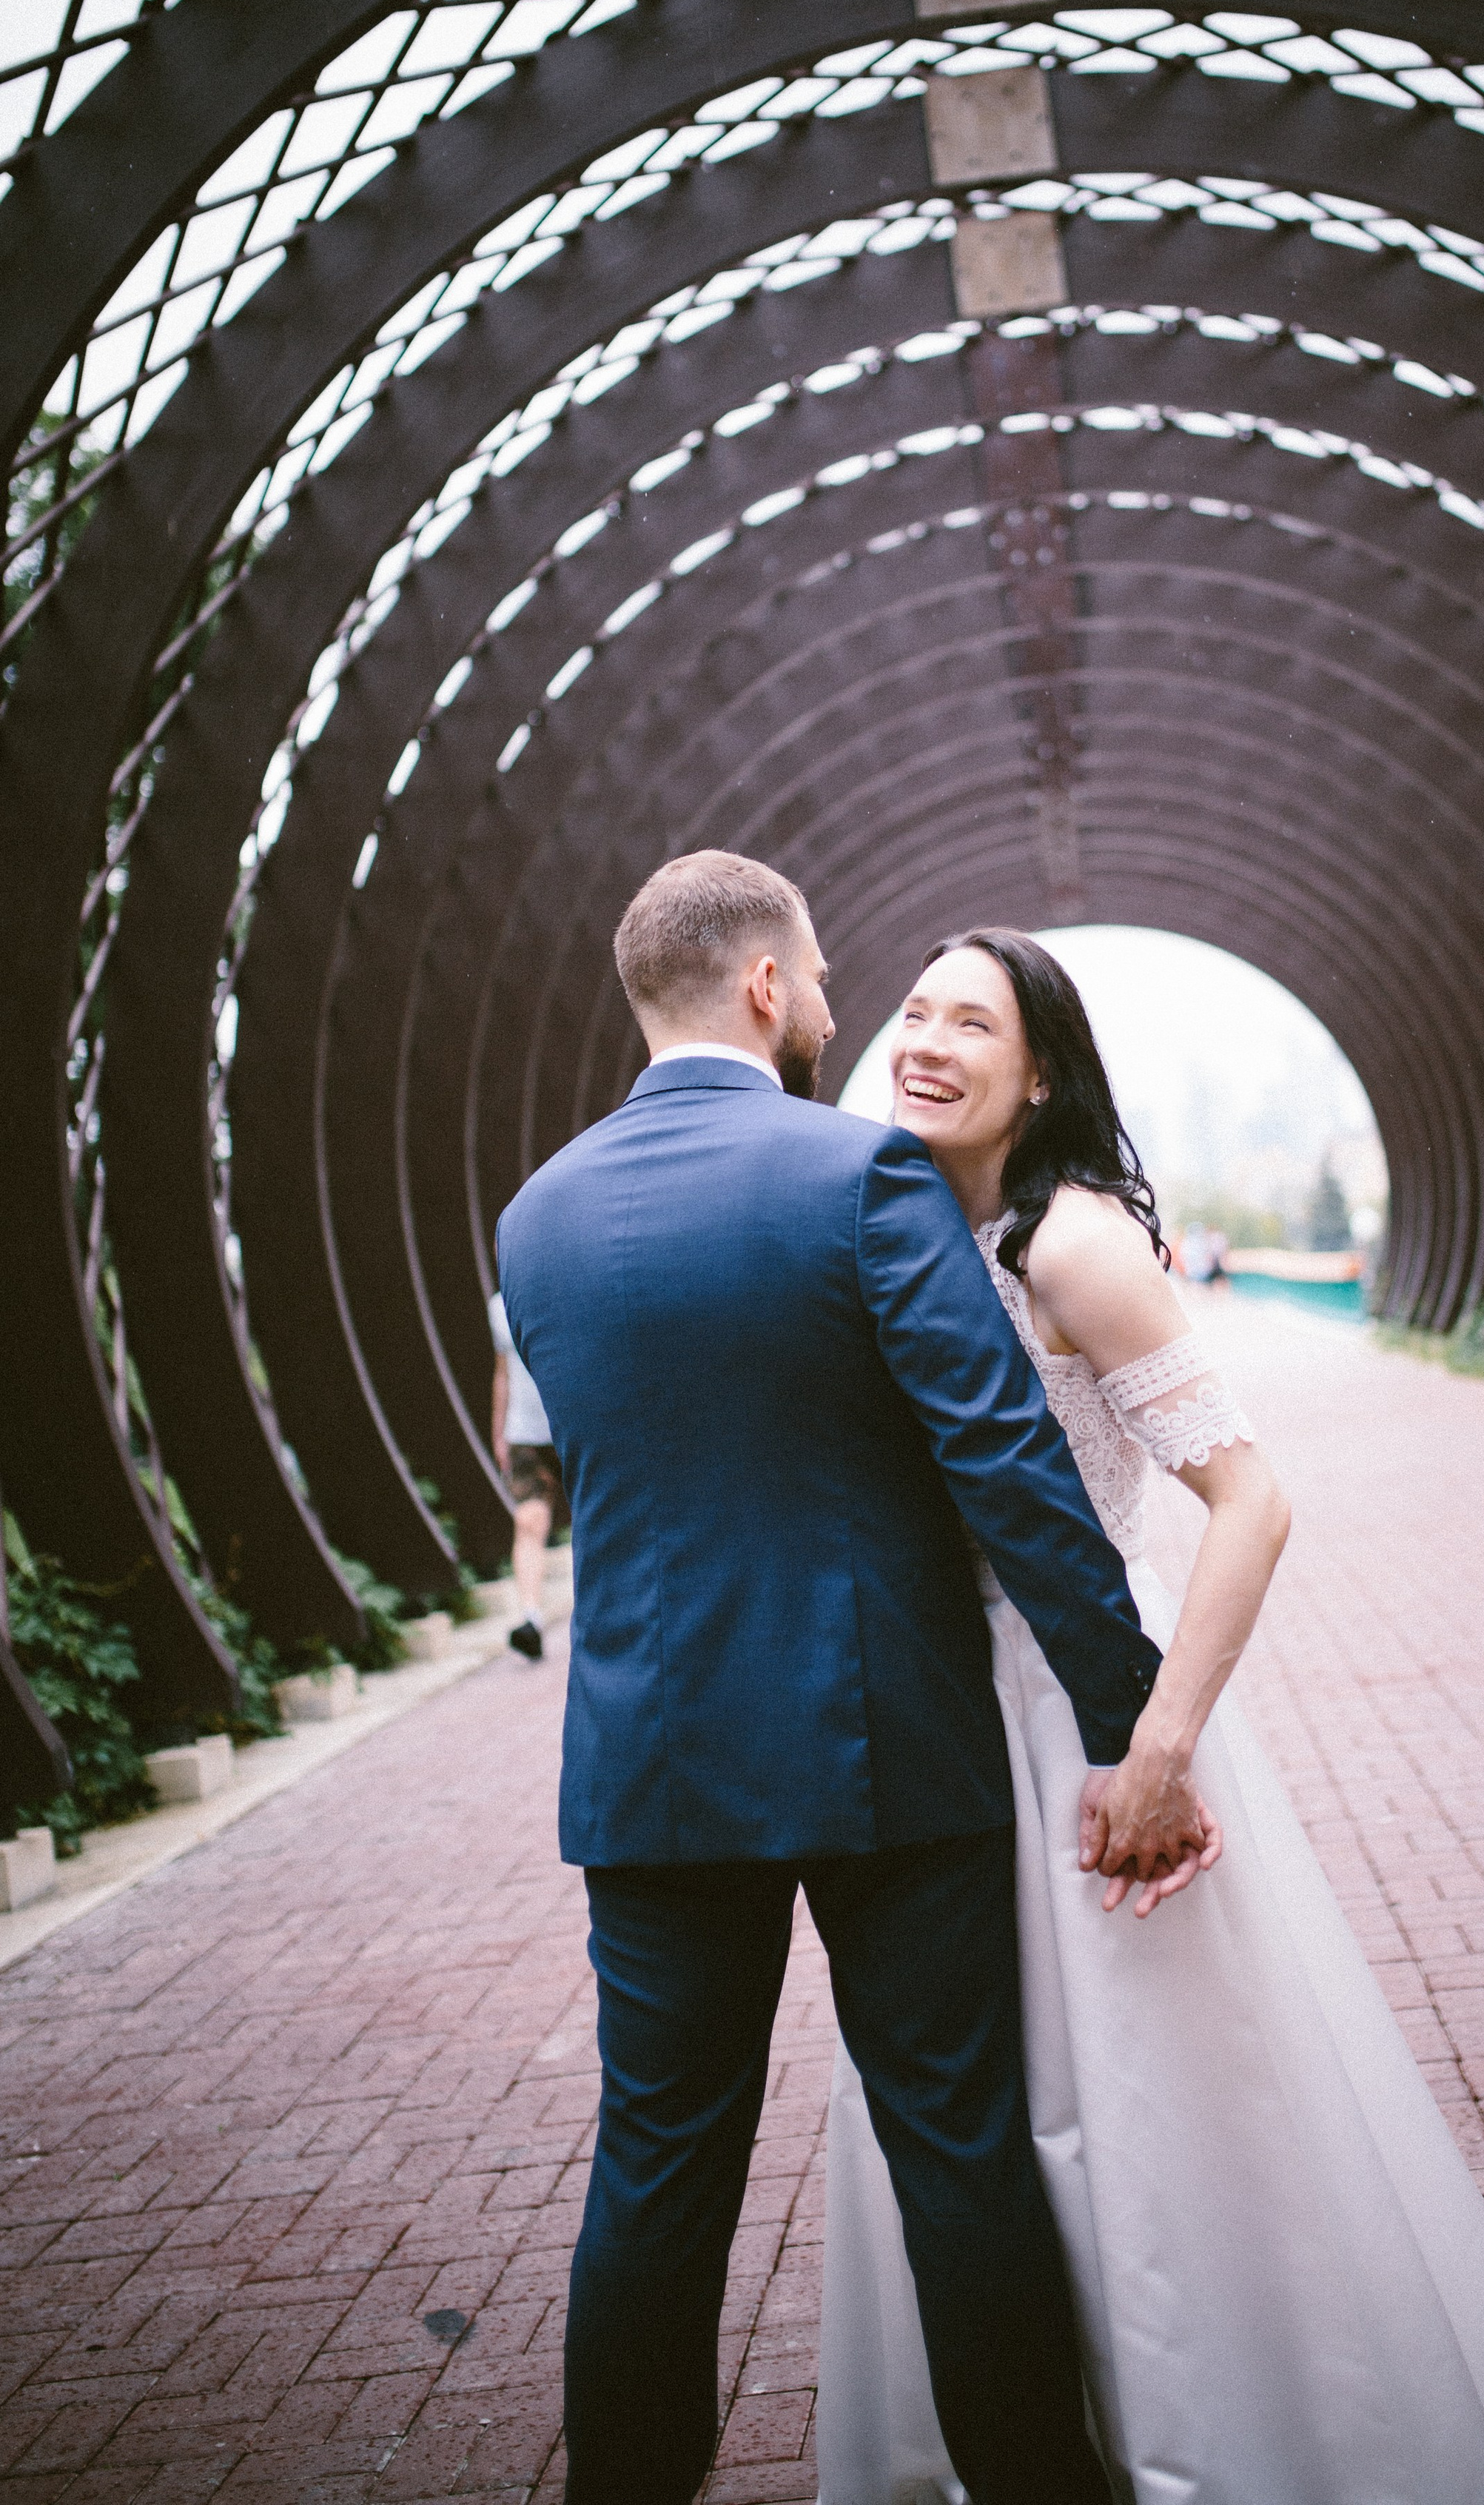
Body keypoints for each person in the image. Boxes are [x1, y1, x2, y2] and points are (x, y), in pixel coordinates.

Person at [816, 930, 1484, 2505]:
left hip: (1086, 1719)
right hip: (933, 1719)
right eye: (912, 1011)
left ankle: (1238, 2440)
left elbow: (1249, 1505)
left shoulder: (1070, 1244)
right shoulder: (896, 1215)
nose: (925, 1039)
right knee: (972, 2108)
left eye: (969, 1022)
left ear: (1039, 1071)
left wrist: (1157, 1747)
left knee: (1152, 2100)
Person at [496, 851, 1204, 2505]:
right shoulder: (858, 1179)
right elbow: (1005, 1467)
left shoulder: (539, 1216)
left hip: (652, 1763)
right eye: (822, 978)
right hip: (883, 1743)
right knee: (956, 2151)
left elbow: (618, 1484)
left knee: (656, 2177)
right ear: (761, 987)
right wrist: (1132, 1726)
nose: (836, 1010)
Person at [488, 1287, 561, 1660]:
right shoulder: (498, 1307)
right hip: (525, 1434)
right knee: (529, 1523)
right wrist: (499, 1431)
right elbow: (503, 1372)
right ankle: (531, 1619)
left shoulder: (566, 1287)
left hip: (572, 1426)